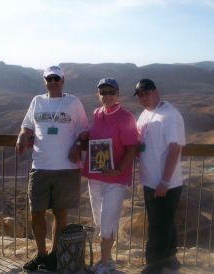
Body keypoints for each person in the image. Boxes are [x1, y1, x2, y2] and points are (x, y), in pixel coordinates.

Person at [16, 66, 89, 272]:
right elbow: (27, 125)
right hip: (40, 165)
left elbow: (85, 131)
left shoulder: (73, 102)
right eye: (49, 78)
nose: (53, 81)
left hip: (66, 167)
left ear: (63, 81)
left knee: (60, 213)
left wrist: (76, 145)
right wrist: (22, 135)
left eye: (57, 78)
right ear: (44, 81)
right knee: (36, 212)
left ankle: (55, 254)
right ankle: (41, 254)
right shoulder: (37, 101)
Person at [81, 78, 139, 274]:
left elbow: (132, 148)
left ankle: (107, 261)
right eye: (103, 92)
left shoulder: (126, 117)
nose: (107, 96)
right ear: (98, 95)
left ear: (118, 94)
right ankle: (103, 261)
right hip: (95, 177)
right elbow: (97, 135)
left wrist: (119, 170)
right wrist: (85, 135)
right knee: (99, 219)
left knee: (108, 220)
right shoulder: (98, 114)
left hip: (115, 179)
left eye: (110, 92)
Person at [134, 79, 185, 274]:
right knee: (164, 222)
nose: (143, 98)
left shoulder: (170, 115)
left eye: (146, 93)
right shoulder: (145, 115)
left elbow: (174, 148)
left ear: (156, 92)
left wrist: (164, 181)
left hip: (166, 183)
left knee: (158, 226)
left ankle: (153, 265)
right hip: (151, 181)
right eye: (140, 95)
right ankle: (170, 262)